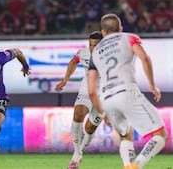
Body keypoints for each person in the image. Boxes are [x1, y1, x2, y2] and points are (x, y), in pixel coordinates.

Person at [87, 13, 168, 169]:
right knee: (161, 135)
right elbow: (144, 57)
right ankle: (137, 165)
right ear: (121, 28)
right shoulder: (129, 37)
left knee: (126, 135)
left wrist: (102, 110)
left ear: (103, 32)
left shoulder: (95, 52)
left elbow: (91, 90)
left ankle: (127, 166)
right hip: (126, 91)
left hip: (106, 98)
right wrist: (152, 86)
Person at [54, 31, 103, 169]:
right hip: (86, 90)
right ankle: (76, 153)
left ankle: (81, 150)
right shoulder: (83, 53)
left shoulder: (111, 57)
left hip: (103, 96)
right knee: (78, 114)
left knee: (90, 127)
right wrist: (65, 80)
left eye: (97, 45)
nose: (93, 48)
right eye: (91, 45)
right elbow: (73, 61)